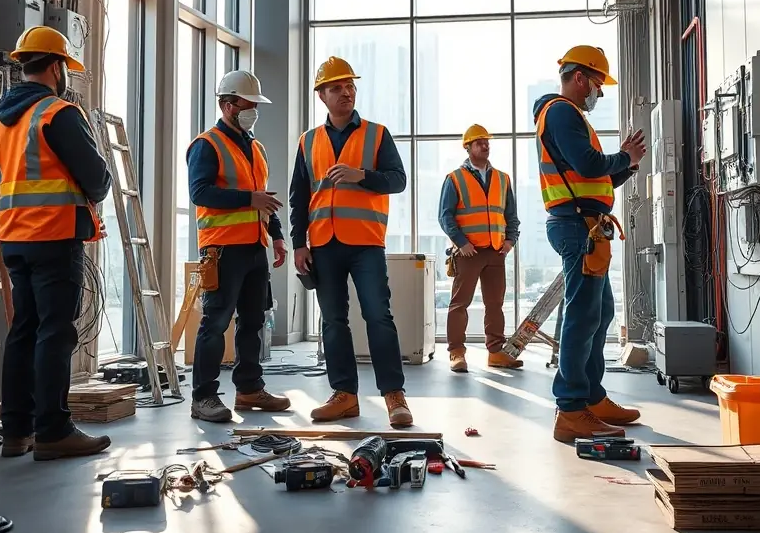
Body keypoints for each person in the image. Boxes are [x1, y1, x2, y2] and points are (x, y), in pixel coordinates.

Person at [0, 26, 113, 461]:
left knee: (23, 331)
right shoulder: (56, 113)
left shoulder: (0, 122)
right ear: (57, 67)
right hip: (55, 236)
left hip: (15, 239)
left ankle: (16, 431)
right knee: (55, 333)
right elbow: (97, 181)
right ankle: (54, 431)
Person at [289, 56, 413, 428]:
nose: (347, 92)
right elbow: (299, 196)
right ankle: (344, 395)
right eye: (338, 87)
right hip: (323, 243)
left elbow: (398, 180)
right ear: (322, 95)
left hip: (365, 243)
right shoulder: (308, 141)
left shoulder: (377, 134)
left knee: (378, 316)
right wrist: (299, 243)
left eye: (350, 86)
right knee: (333, 322)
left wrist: (361, 175)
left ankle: (394, 395)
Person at [533, 45, 647, 443]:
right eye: (598, 83)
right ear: (579, 77)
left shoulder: (571, 116)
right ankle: (571, 408)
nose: (599, 91)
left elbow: (597, 179)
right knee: (583, 316)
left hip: (588, 225)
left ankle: (592, 396)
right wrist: (623, 156)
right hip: (577, 226)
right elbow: (589, 165)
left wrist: (627, 166)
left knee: (599, 311)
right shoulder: (562, 112)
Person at [186, 70, 291, 423]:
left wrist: (276, 236)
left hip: (253, 248)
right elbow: (200, 193)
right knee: (215, 323)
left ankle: (249, 389)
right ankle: (203, 397)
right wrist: (249, 199)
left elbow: (264, 198)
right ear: (227, 105)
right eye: (248, 106)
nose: (253, 112)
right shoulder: (207, 145)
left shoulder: (255, 147)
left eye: (255, 107)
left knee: (253, 321)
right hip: (222, 249)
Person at [438, 124, 521, 373]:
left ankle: (496, 352)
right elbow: (445, 216)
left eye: (487, 142)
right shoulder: (454, 179)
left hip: (496, 251)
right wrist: (461, 243)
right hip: (468, 252)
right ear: (468, 147)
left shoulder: (503, 179)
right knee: (459, 304)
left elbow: (511, 216)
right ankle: (456, 352)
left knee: (495, 304)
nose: (485, 145)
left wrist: (509, 242)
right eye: (479, 142)